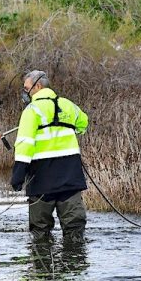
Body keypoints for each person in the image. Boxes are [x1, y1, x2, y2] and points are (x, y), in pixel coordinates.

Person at [10, 70, 89, 242]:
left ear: (37, 86)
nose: (25, 93)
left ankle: (44, 266)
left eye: (26, 88)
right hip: (70, 177)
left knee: (40, 234)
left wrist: (18, 176)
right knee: (75, 231)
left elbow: (25, 144)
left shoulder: (31, 111)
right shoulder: (68, 105)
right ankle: (75, 266)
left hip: (41, 179)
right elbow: (84, 124)